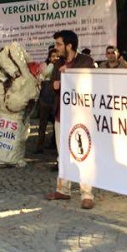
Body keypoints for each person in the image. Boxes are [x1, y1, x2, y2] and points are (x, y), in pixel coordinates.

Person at [45, 29, 96, 209]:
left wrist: (71, 72)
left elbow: (92, 81)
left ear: (69, 45)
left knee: (83, 154)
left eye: (59, 44)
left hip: (81, 116)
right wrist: (55, 85)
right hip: (61, 115)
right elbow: (52, 86)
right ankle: (63, 189)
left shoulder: (86, 61)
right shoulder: (58, 63)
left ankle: (87, 194)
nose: (56, 48)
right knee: (63, 154)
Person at [35, 47, 59, 153]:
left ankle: (54, 144)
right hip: (45, 98)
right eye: (53, 56)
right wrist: (52, 65)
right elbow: (44, 75)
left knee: (56, 124)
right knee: (43, 124)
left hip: (56, 100)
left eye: (57, 56)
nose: (55, 58)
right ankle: (39, 146)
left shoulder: (61, 67)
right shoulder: (48, 66)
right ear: (49, 58)